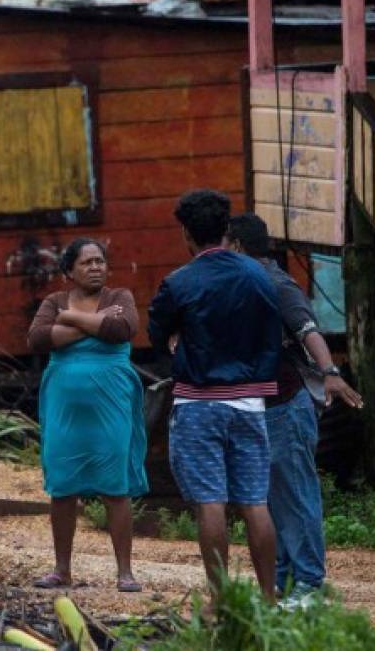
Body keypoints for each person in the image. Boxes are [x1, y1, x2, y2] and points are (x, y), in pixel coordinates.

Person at [147, 189, 281, 601]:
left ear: (186, 232)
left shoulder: (179, 282)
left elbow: (156, 334)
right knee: (255, 501)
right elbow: (271, 331)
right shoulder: (259, 275)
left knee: (211, 502)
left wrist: (175, 337)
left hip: (199, 400)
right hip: (249, 399)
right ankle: (268, 596)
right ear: (227, 230)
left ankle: (220, 599)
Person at [227, 213, 363, 603]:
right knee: (271, 498)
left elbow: (307, 329)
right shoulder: (246, 283)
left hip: (286, 405)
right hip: (259, 406)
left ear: (236, 245)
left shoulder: (273, 281)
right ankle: (286, 582)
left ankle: (309, 584)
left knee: (295, 495)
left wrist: (331, 372)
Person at [28, 238, 148, 593]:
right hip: (64, 407)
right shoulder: (54, 301)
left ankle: (124, 571)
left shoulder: (119, 297)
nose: (96, 267)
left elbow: (122, 329)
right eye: (86, 263)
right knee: (63, 486)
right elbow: (37, 339)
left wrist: (70, 321)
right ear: (69, 271)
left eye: (100, 261)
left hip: (111, 404)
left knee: (115, 487)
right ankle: (62, 569)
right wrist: (93, 322)